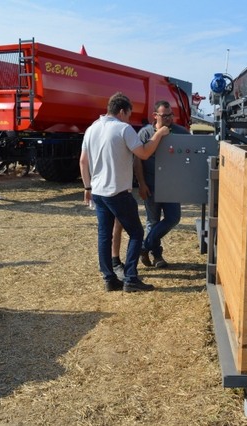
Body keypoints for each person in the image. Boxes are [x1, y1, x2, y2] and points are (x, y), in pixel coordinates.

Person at [80, 92, 169, 292]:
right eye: (129, 114)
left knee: (104, 235)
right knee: (136, 233)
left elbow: (83, 161)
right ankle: (131, 278)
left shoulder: (92, 128)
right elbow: (144, 153)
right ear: (122, 111)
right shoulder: (123, 129)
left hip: (98, 192)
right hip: (118, 191)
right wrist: (158, 134)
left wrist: (87, 187)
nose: (129, 118)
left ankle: (109, 278)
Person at [135, 100, 190, 268]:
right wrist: (141, 184)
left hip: (172, 185)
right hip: (151, 185)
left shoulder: (182, 133)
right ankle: (157, 256)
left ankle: (144, 247)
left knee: (173, 218)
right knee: (152, 220)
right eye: (164, 115)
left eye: (170, 115)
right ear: (155, 116)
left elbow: (191, 156)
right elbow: (137, 161)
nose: (168, 118)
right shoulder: (145, 133)